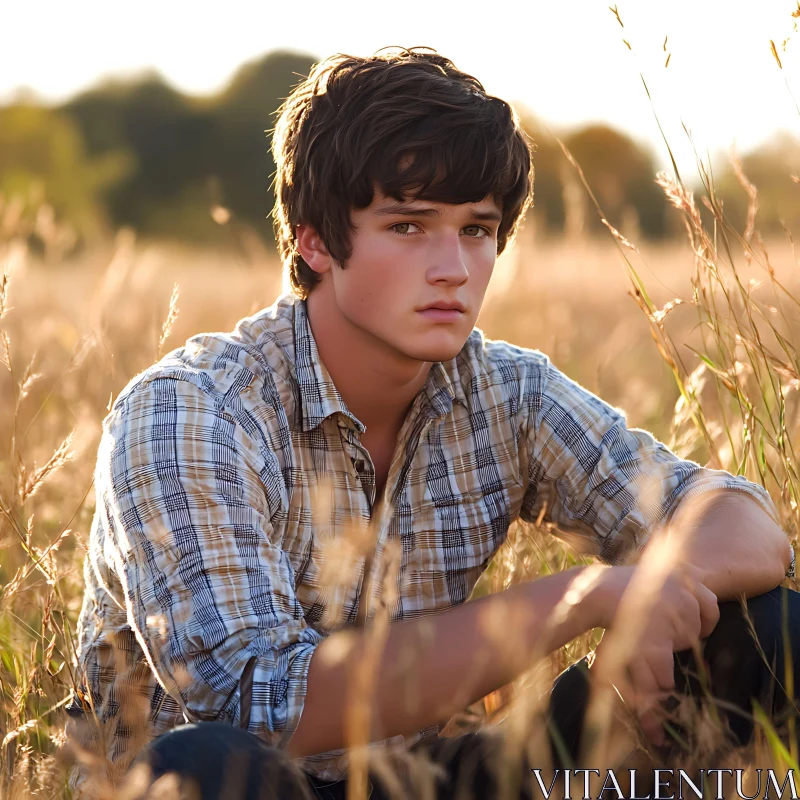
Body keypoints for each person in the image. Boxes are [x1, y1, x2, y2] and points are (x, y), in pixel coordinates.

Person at [65, 47, 798, 799]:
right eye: (410, 227)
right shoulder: (191, 410)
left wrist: (651, 595)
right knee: (201, 767)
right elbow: (260, 706)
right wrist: (582, 597)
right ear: (315, 239)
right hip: (248, 780)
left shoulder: (504, 390)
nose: (453, 267)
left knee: (770, 631)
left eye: (477, 230)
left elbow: (742, 522)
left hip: (417, 781)